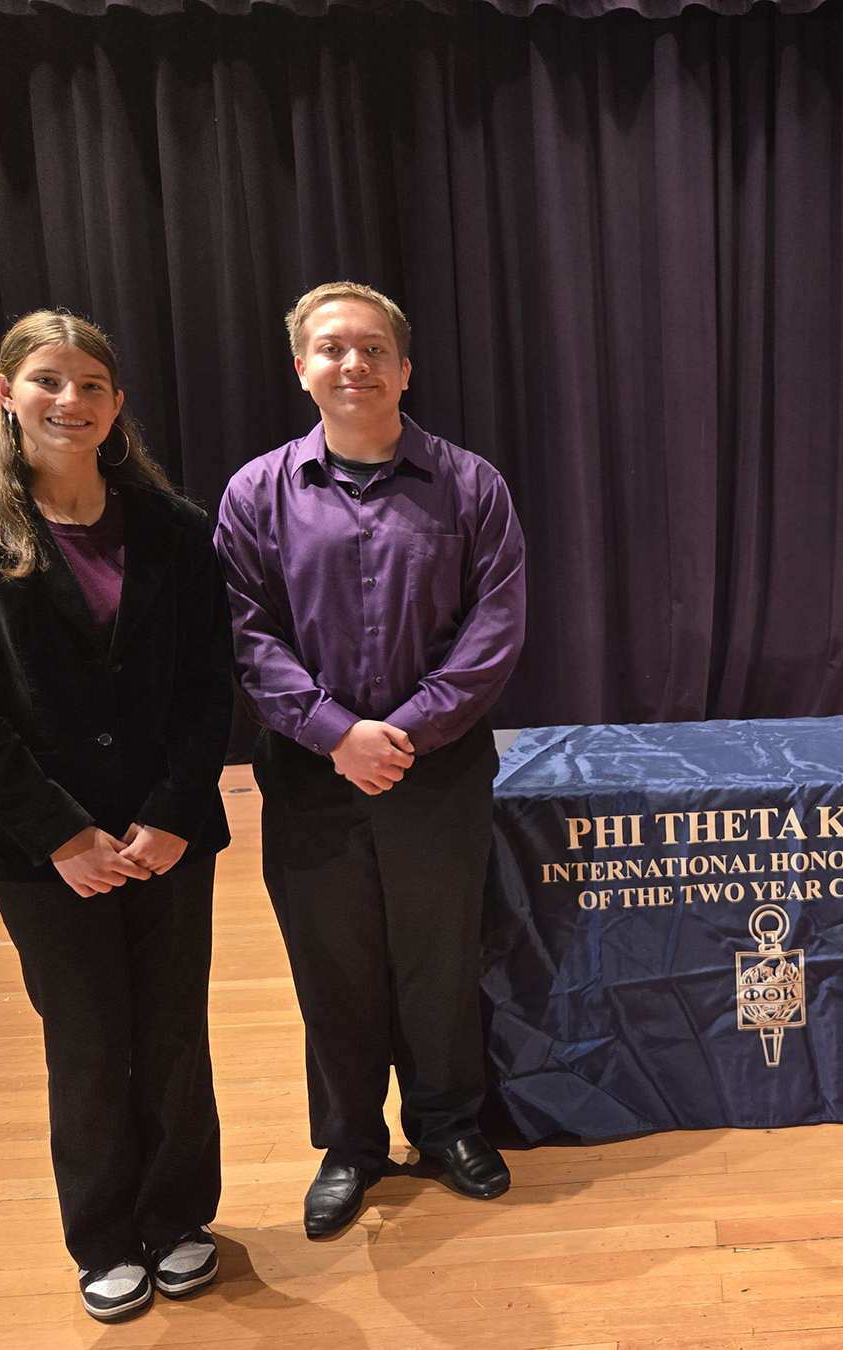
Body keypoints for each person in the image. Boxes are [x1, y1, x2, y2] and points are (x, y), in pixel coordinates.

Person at [0, 311, 231, 1322]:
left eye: (91, 384)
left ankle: (179, 1216)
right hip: (41, 841)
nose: (70, 400)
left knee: (172, 1031)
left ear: (117, 404)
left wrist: (173, 814)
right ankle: (105, 1237)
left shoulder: (175, 526)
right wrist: (63, 834)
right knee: (87, 1039)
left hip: (166, 834)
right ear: (7, 393)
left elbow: (207, 689)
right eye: (48, 380)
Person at [216, 282, 526, 1239]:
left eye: (374, 348)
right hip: (310, 773)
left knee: (440, 957)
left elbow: (494, 628)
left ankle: (448, 1126)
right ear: (301, 368)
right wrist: (336, 735)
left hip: (438, 770)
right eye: (332, 348)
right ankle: (350, 1144)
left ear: (404, 367)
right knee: (333, 965)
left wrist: (406, 734)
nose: (354, 363)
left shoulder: (471, 485)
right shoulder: (256, 494)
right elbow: (245, 633)